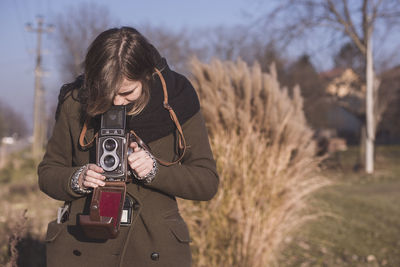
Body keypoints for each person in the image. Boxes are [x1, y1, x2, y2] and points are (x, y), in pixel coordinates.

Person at [38, 26, 219, 267]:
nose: (115, 101)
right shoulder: (76, 100)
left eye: (127, 92)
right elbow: (48, 172)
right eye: (105, 91)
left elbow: (207, 182)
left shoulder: (177, 98)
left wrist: (155, 171)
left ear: (147, 76)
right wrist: (77, 179)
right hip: (82, 244)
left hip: (154, 248)